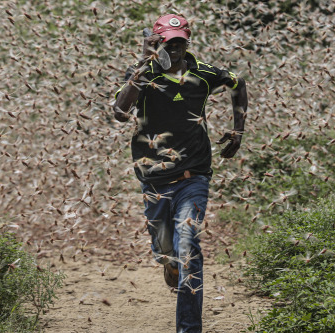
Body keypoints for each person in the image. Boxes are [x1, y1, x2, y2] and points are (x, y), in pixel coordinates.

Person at [112, 14, 247, 333]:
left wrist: (238, 130)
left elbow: (238, 84)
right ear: (157, 42)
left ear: (187, 42)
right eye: (167, 42)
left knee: (188, 247)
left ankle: (189, 328)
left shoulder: (203, 73)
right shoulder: (141, 75)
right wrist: (144, 63)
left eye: (179, 42)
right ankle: (167, 263)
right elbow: (119, 113)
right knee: (166, 252)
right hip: (154, 179)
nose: (174, 48)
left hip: (194, 177)